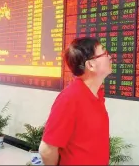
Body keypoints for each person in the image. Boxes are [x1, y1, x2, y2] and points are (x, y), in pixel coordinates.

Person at [39, 37, 112, 165]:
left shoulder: (97, 94)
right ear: (90, 65)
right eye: (104, 53)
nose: (109, 57)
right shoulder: (70, 98)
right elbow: (47, 150)